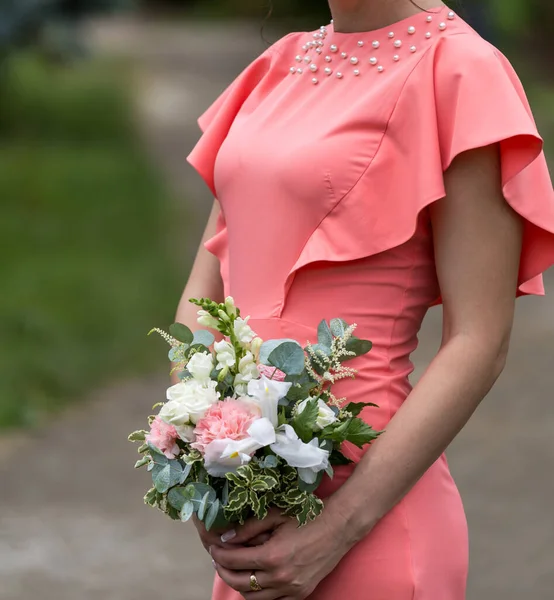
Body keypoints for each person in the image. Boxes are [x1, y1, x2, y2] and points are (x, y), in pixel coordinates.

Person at [179, 1, 554, 598]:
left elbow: (479, 339)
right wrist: (201, 453)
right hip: (254, 519)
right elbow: (203, 298)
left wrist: (334, 531)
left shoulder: (459, 71)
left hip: (370, 514)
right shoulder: (276, 66)